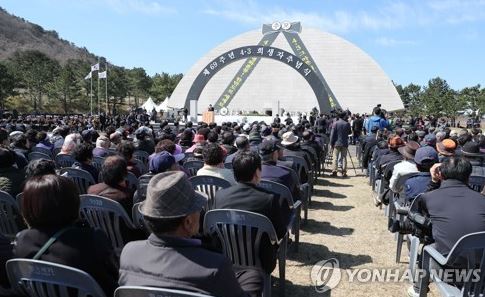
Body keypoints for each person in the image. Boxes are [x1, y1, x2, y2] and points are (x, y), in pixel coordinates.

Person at [119, 171, 262, 297]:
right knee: (253, 277)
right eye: (197, 207)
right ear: (188, 222)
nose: (200, 211)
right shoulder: (214, 266)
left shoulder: (129, 253)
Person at [13, 174, 118, 296]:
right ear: (73, 202)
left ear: (28, 207)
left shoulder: (22, 240)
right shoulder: (92, 238)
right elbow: (113, 276)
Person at [410, 157, 485, 296]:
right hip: (482, 270)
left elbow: (422, 225)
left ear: (441, 175)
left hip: (449, 270)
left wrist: (433, 182)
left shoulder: (429, 197)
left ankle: (418, 288)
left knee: (427, 247)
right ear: (468, 177)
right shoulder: (482, 200)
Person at [214, 151, 291, 274]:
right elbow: (280, 233)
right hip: (261, 262)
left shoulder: (220, 196)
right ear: (257, 172)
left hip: (227, 256)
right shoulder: (269, 199)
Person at [329, 112, 352, 177]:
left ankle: (334, 171)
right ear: (344, 116)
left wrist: (331, 143)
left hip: (336, 143)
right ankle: (344, 171)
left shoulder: (335, 123)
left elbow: (332, 134)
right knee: (344, 157)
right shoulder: (347, 124)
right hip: (344, 143)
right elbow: (350, 132)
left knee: (335, 157)